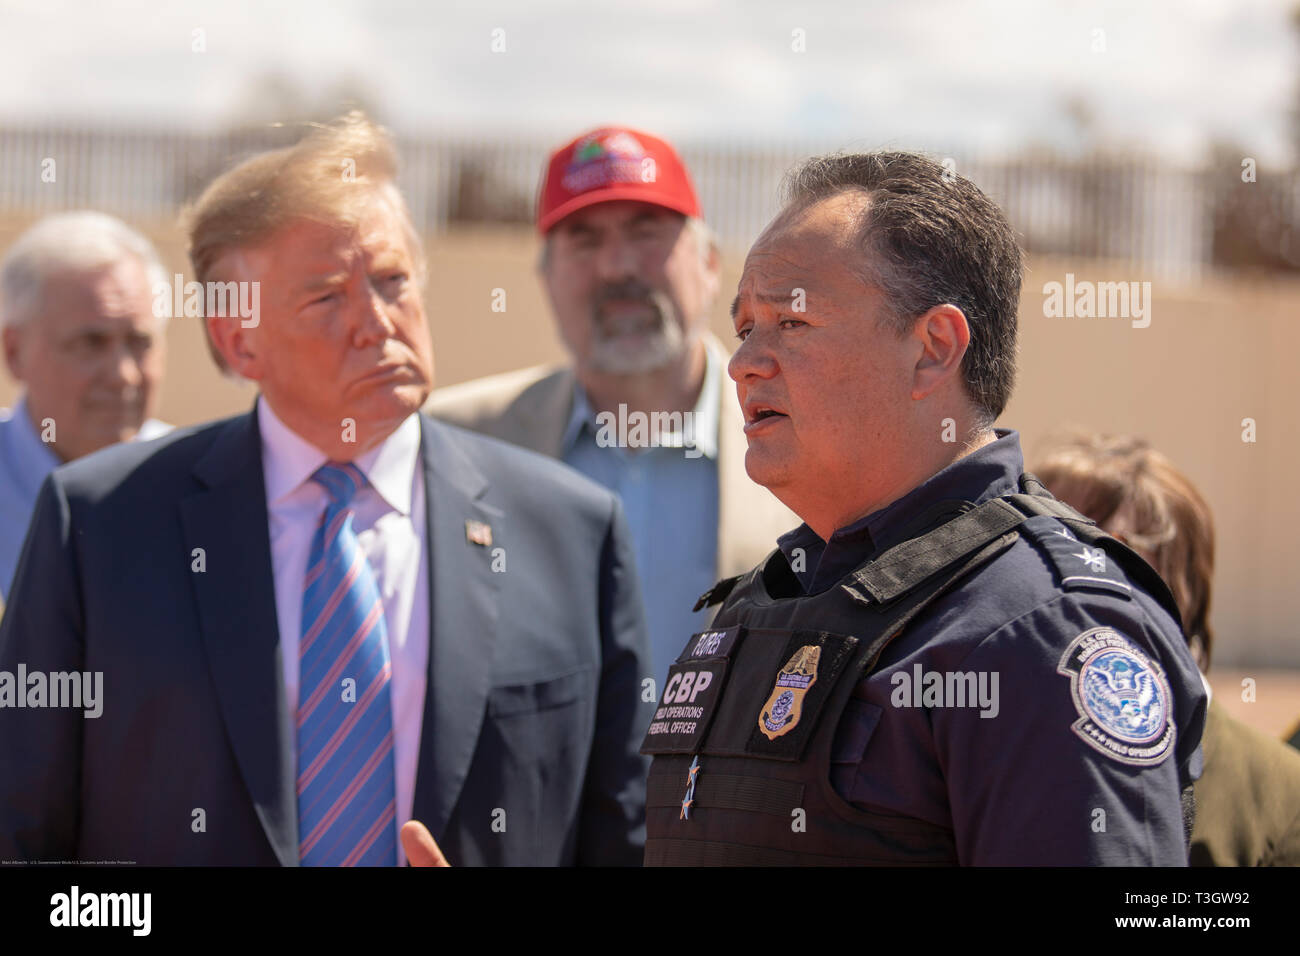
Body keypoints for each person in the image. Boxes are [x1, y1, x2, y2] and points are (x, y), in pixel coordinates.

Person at [0, 112, 650, 867]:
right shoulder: (99, 527)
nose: (377, 323)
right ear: (238, 342)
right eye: (325, 298)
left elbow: (625, 837)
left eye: (392, 281)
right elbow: (22, 835)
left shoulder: (572, 532)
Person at [639, 151, 1207, 866]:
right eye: (746, 326)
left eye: (792, 322)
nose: (744, 361)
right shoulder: (765, 601)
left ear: (934, 349)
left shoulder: (1043, 629)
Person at [427, 126, 795, 686]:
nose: (618, 266)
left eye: (646, 232)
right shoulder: (450, 441)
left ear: (709, 264)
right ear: (546, 277)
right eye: (584, 240)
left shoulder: (811, 439)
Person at [1033, 431, 1300, 866]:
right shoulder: (980, 738)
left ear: (1185, 586)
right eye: (1042, 544)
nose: (1061, 580)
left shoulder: (1280, 798)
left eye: (1115, 556)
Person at [0, 212, 171, 601]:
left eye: (139, 342)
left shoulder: (204, 487)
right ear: (15, 352)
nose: (123, 375)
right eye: (90, 344)